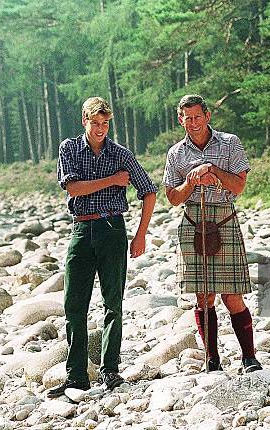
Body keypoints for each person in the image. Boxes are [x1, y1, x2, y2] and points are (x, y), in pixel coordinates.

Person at [50, 97, 157, 397]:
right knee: (74, 305)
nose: (101, 129)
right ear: (84, 120)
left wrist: (141, 235)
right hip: (82, 229)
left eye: (105, 123)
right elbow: (73, 188)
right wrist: (114, 181)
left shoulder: (121, 153)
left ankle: (110, 370)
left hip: (113, 230)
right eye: (95, 123)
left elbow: (149, 192)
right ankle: (76, 376)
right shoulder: (68, 149)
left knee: (113, 303)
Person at [163, 94, 262, 373]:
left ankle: (249, 357)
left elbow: (239, 186)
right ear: (180, 119)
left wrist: (215, 171)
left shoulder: (230, 143)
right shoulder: (176, 154)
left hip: (224, 218)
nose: (193, 123)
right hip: (193, 222)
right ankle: (212, 359)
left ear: (208, 116)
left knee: (232, 296)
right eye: (187, 118)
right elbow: (172, 197)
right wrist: (191, 181)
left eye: (197, 117)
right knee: (203, 296)